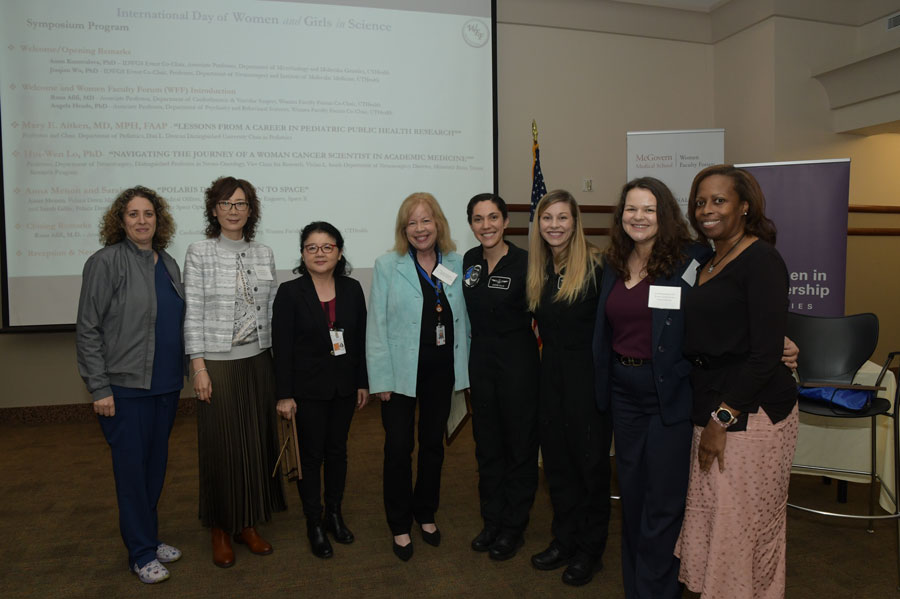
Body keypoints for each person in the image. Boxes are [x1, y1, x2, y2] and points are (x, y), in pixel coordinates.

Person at [674, 165, 798, 599]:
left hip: (752, 412)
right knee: (717, 521)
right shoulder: (706, 259)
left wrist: (720, 421)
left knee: (743, 526)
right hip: (710, 400)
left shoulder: (761, 259)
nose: (706, 209)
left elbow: (764, 355)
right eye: (700, 201)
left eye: (718, 200)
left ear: (744, 206)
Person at [76, 186, 185, 584]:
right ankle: (140, 553)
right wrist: (99, 388)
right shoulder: (105, 262)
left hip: (166, 385)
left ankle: (149, 538)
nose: (142, 221)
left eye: (149, 214)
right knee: (131, 472)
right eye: (133, 214)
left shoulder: (168, 262)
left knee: (154, 469)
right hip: (124, 389)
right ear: (120, 221)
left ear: (160, 219)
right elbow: (88, 330)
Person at [183, 176, 286, 568]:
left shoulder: (263, 253)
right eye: (225, 203)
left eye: (240, 204)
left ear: (250, 210)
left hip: (259, 361)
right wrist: (198, 367)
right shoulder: (199, 253)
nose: (233, 210)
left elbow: (273, 311)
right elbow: (192, 312)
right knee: (223, 448)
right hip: (218, 364)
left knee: (257, 445)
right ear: (214, 210)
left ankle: (248, 524)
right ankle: (221, 528)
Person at [366, 192, 470, 561]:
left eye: (426, 220)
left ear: (438, 223)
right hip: (399, 374)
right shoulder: (387, 265)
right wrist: (380, 380)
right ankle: (399, 523)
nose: (420, 229)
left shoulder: (457, 263)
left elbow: (466, 320)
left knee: (432, 446)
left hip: (441, 372)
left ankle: (425, 512)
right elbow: (376, 325)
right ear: (403, 229)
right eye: (412, 223)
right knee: (398, 448)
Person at [526, 189, 611, 587]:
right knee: (557, 467)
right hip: (551, 379)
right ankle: (565, 539)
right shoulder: (540, 268)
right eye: (547, 218)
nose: (554, 225)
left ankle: (590, 551)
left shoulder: (597, 266)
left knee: (589, 468)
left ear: (575, 222)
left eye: (562, 217)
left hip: (587, 383)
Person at [272, 221, 369, 559]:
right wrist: (284, 394)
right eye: (312, 247)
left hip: (344, 388)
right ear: (302, 254)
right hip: (306, 392)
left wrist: (362, 382)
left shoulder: (353, 288)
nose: (320, 253)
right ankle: (314, 522)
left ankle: (334, 514)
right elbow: (281, 348)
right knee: (311, 458)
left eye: (327, 246)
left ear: (339, 252)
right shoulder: (290, 292)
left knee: (338, 453)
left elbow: (359, 340)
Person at [462, 193, 539, 561]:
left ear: (506, 221)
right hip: (482, 365)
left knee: (518, 447)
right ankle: (491, 521)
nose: (486, 225)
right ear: (471, 225)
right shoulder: (469, 260)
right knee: (487, 445)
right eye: (478, 219)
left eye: (493, 217)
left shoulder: (526, 262)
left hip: (518, 364)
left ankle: (513, 527)